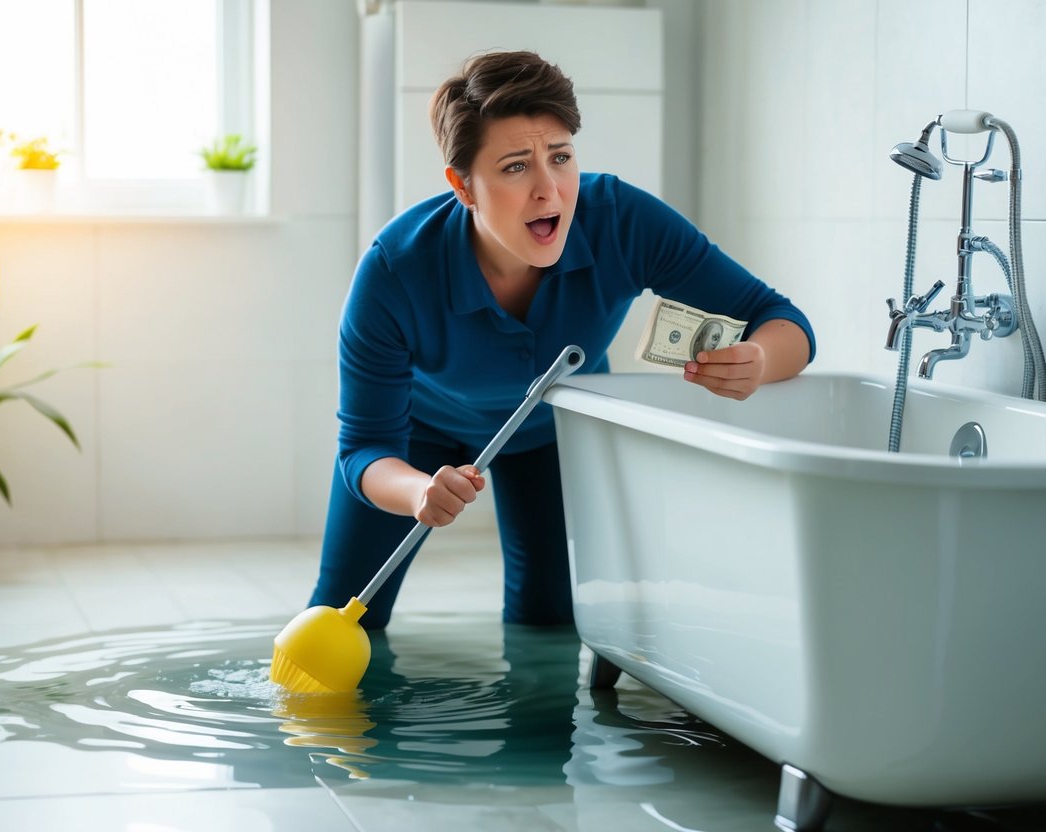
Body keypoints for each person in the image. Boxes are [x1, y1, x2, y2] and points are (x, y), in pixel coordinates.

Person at [309, 50, 815, 629]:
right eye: (516, 167)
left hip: (552, 425)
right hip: (416, 435)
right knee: (339, 621)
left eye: (561, 157)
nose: (550, 190)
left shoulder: (621, 221)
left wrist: (758, 358)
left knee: (550, 622)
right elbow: (364, 449)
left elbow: (782, 320)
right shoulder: (393, 272)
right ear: (464, 186)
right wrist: (419, 490)